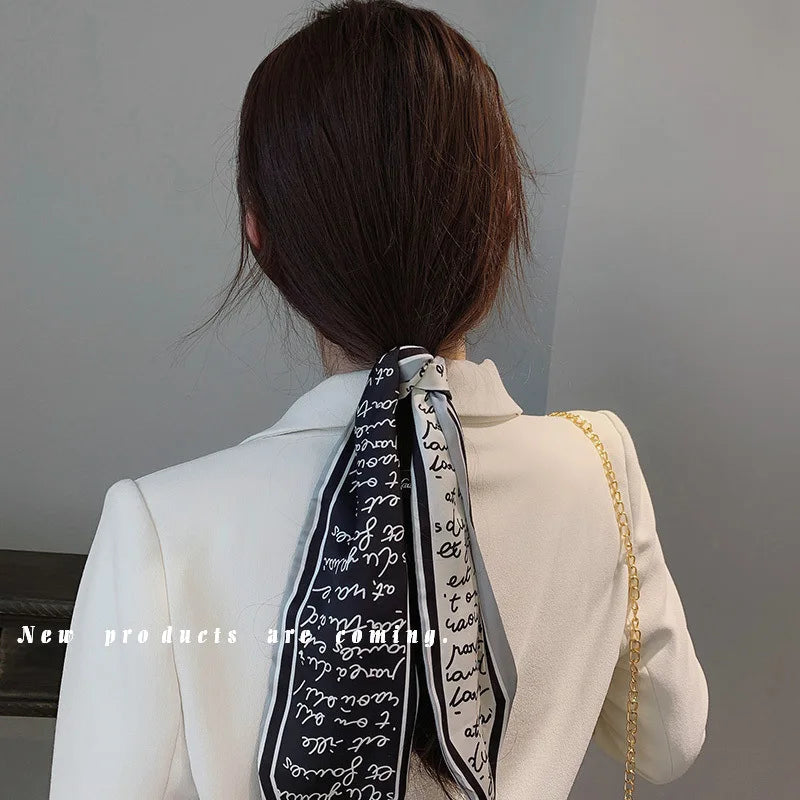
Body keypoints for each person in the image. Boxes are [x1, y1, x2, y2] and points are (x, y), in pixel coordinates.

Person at [48, 2, 708, 798]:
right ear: (505, 212)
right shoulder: (598, 467)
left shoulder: (160, 526)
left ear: (261, 237)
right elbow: (668, 742)